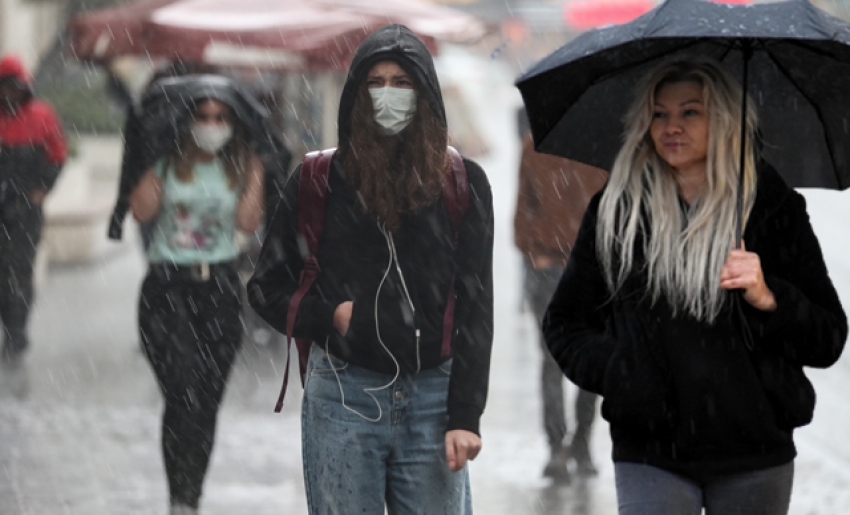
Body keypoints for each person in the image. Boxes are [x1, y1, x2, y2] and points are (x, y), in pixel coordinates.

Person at [543, 58, 847, 514]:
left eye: (690, 112)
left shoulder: (770, 206)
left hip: (754, 453)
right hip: (650, 452)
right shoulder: (618, 210)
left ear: (724, 119)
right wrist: (621, 371)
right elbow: (565, 323)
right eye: (659, 114)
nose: (672, 127)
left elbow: (828, 337)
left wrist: (769, 297)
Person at [248, 24, 494, 514]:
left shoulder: (461, 184)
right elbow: (266, 288)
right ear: (356, 94)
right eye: (375, 82)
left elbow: (475, 307)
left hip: (433, 396)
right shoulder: (319, 180)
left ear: (425, 95)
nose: (388, 95)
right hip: (342, 392)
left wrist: (466, 414)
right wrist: (330, 317)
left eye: (402, 83)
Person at [129, 88, 265, 515]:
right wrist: (152, 158)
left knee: (206, 402)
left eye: (220, 117)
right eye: (202, 116)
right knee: (182, 391)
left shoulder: (240, 165)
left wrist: (257, 172)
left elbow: (247, 221)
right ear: (187, 120)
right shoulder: (166, 161)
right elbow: (140, 210)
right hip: (167, 289)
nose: (210, 125)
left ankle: (191, 497)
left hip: (220, 289)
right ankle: (179, 500)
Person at [513, 110, 607, 481]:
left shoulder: (599, 151)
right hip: (555, 268)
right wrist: (539, 248)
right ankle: (564, 447)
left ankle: (573, 445)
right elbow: (521, 214)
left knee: (578, 362)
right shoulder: (538, 146)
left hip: (588, 269)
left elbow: (616, 210)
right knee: (561, 361)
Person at [0, 54, 67, 363]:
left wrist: (42, 189)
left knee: (18, 271)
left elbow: (57, 154)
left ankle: (16, 333)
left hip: (24, 209)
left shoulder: (42, 116)